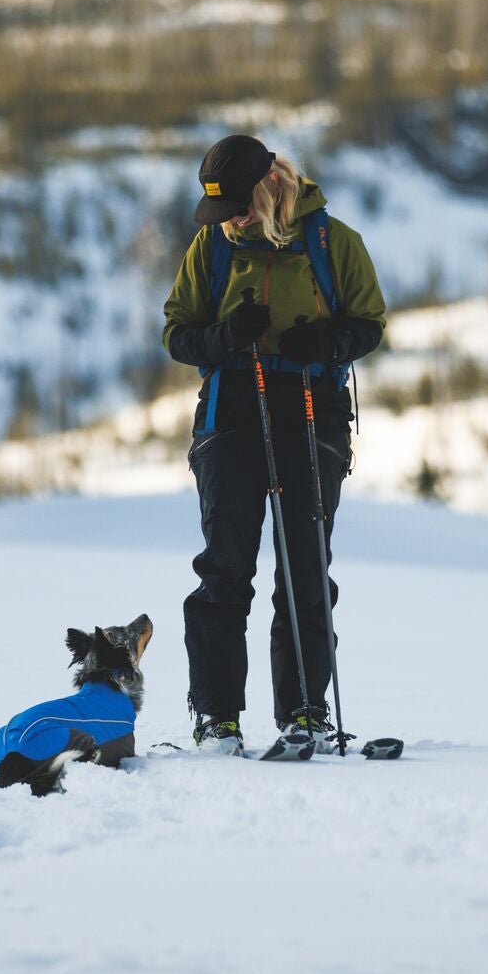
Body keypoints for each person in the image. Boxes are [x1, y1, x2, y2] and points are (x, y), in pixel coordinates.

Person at [161, 134, 387, 755]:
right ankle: (217, 718)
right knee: (225, 567)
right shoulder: (212, 247)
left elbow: (370, 322)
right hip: (230, 410)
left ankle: (306, 712)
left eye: (237, 206)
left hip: (313, 413)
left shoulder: (331, 241)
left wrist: (331, 344)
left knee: (304, 566)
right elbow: (178, 334)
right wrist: (224, 337)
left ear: (269, 188)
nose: (229, 220)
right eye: (221, 210)